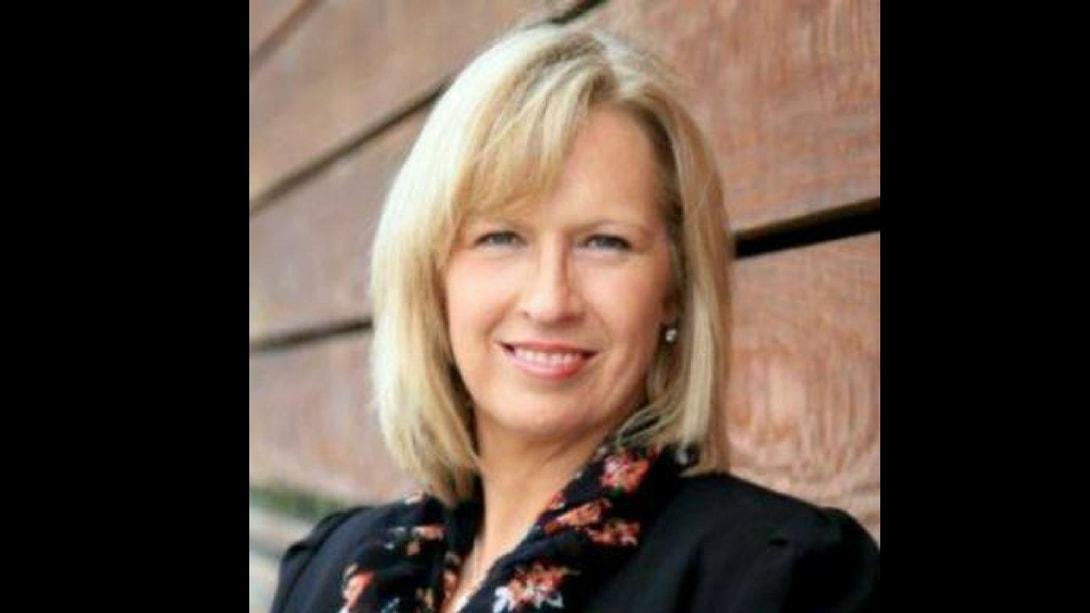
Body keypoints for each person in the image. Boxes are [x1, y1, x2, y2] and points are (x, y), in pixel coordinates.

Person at [271, 22, 879, 613]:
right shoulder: (329, 571)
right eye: (501, 237)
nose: (550, 300)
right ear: (432, 276)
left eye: (605, 243)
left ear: (673, 285)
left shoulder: (782, 583)